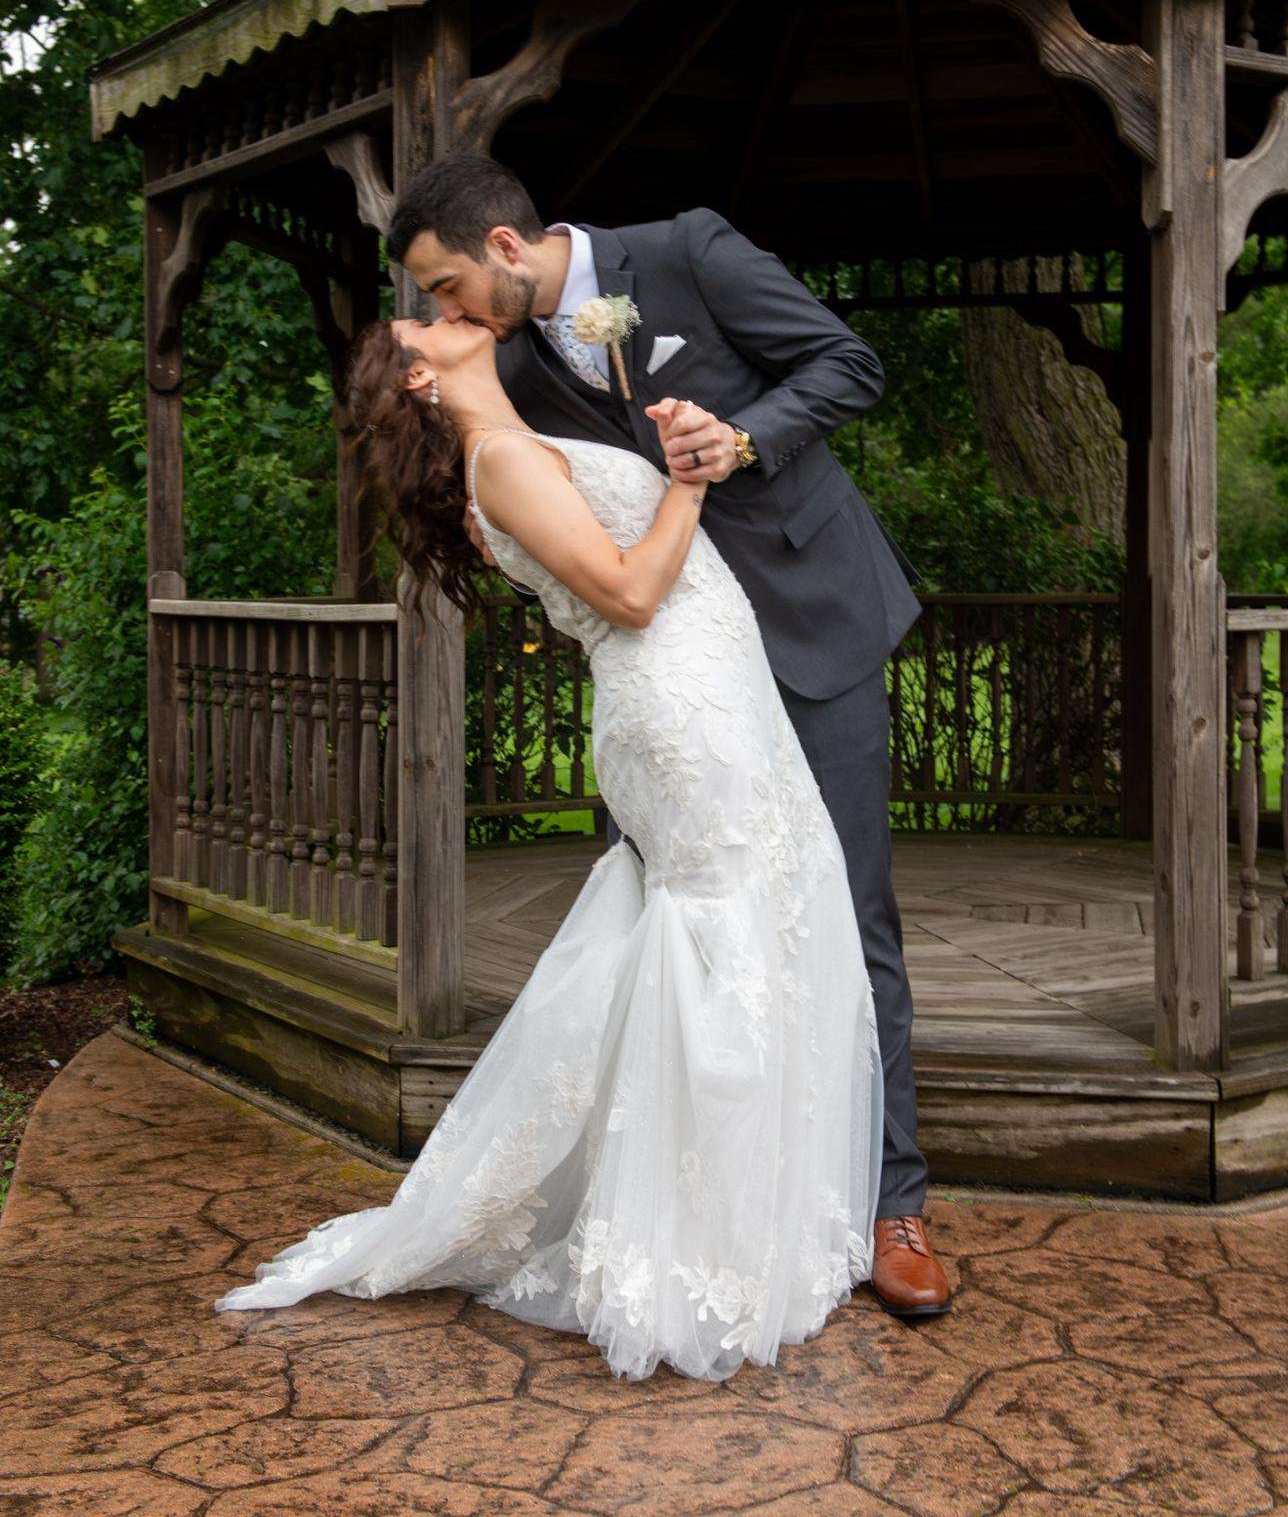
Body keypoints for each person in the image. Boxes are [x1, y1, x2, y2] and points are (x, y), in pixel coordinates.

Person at [216, 309, 887, 1383]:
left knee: (762, 924)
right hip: (681, 713)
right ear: (421, 379)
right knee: (722, 946)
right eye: (420, 319)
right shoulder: (501, 461)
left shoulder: (516, 445)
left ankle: (744, 1226)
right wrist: (686, 483)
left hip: (719, 694)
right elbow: (631, 594)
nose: (441, 309)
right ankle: (694, 1249)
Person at [388, 153, 948, 1318]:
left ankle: (891, 1203)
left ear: (504, 246)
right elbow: (539, 509)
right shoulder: (506, 368)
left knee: (850, 911)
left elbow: (848, 363)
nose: (445, 311)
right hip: (680, 681)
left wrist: (738, 439)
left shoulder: (688, 250)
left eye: (445, 285)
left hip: (806, 624)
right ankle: (714, 1206)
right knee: (691, 930)